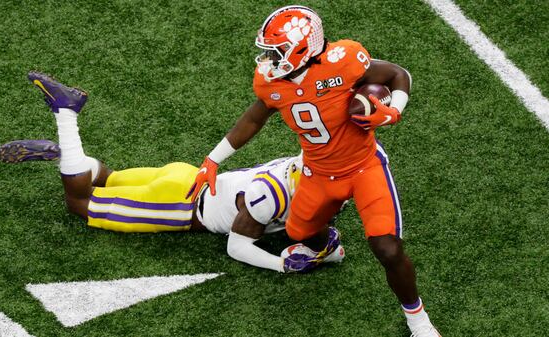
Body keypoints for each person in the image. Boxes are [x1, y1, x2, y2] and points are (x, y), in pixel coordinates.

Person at [185, 5, 440, 337]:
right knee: (299, 233)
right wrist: (213, 159)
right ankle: (328, 244)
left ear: (301, 48)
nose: (268, 60)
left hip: (364, 167)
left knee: (387, 248)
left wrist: (393, 111)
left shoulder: (344, 60)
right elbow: (254, 118)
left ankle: (418, 321)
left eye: (276, 51)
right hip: (317, 172)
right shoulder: (270, 83)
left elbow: (396, 75)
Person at [0, 71, 344, 273]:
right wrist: (279, 265)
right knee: (79, 203)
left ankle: (70, 157)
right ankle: (66, 115)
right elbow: (237, 247)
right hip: (180, 205)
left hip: (187, 176)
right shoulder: (270, 197)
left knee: (108, 179)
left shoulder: (296, 170)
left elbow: (319, 230)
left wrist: (326, 249)